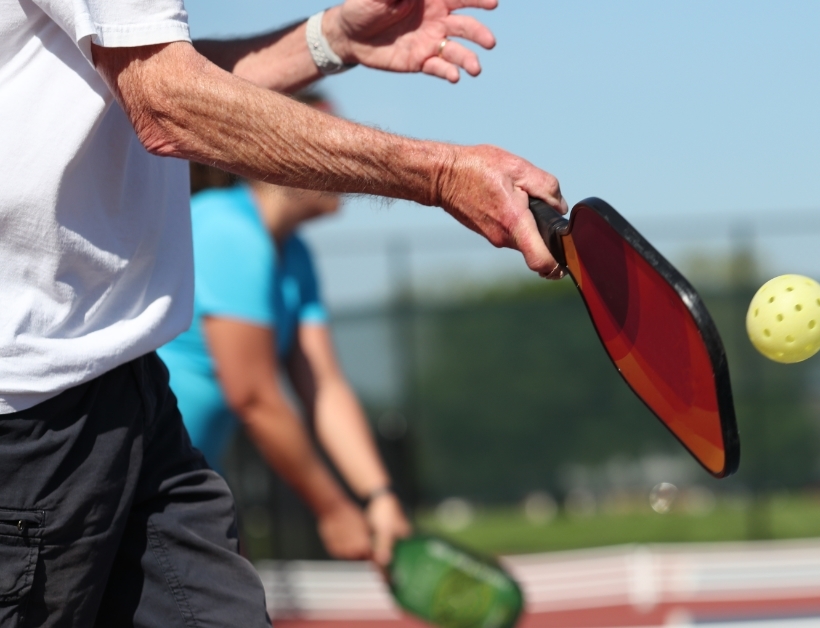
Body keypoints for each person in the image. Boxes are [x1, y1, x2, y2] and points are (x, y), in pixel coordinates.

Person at [0, 0, 566, 624]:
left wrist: (329, 40)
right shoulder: (233, 239)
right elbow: (166, 101)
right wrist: (442, 174)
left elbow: (154, 73)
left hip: (128, 401)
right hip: (30, 421)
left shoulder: (293, 260)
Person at [160, 95, 409, 564]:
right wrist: (333, 509)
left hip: (174, 484)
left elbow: (324, 386)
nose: (351, 161)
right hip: (115, 482)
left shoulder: (295, 256)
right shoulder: (227, 230)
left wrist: (379, 497)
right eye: (332, 144)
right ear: (282, 154)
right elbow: (253, 396)